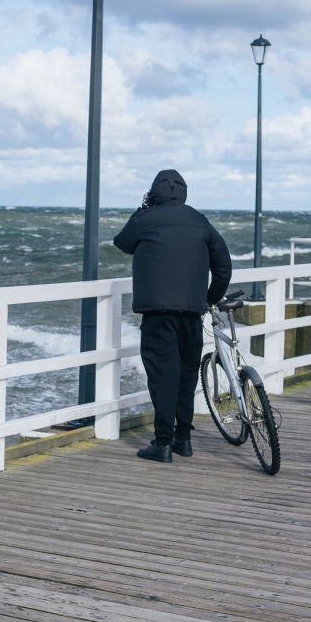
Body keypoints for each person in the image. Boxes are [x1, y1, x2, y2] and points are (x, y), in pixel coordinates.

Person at [113, 169, 231, 464]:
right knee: (186, 376)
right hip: (192, 313)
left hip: (158, 314)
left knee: (163, 377)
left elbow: (122, 242)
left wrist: (143, 207)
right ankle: (184, 439)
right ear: (184, 193)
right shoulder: (200, 220)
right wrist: (209, 299)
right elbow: (224, 267)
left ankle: (162, 443)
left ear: (153, 193)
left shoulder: (145, 218)